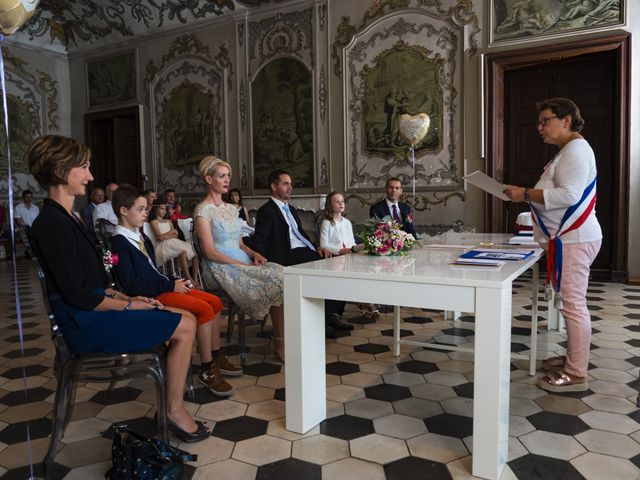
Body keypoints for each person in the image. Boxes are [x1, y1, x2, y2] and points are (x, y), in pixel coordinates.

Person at [27, 135, 208, 443]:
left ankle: (169, 408)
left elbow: (91, 284)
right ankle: (173, 412)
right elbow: (79, 295)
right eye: (83, 168)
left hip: (90, 312)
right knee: (186, 326)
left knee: (180, 315)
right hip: (82, 324)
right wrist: (129, 306)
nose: (90, 176)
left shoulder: (67, 218)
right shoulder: (52, 223)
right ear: (60, 170)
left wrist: (126, 297)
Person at [503, 97, 602, 393]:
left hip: (574, 238)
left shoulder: (575, 150)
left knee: (573, 306)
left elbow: (568, 196)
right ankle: (573, 359)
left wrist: (524, 194)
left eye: (545, 120)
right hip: (569, 239)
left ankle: (576, 373)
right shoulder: (569, 151)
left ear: (567, 120)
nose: (539, 127)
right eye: (539, 122)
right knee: (571, 304)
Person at [109, 185, 239, 397]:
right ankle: (206, 370)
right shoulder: (119, 243)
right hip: (152, 296)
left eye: (145, 209)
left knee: (215, 302)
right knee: (204, 309)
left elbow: (153, 272)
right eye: (141, 209)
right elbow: (133, 285)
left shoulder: (138, 236)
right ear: (123, 211)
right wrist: (170, 286)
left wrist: (175, 280)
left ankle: (215, 355)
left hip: (161, 287)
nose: (145, 213)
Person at [193, 156, 286, 362]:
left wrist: (255, 254)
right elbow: (209, 252)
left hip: (241, 258)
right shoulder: (202, 211)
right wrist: (241, 265)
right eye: (221, 176)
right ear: (208, 179)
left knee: (282, 274)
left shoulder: (230, 208)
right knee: (274, 280)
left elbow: (241, 243)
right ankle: (280, 342)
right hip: (218, 266)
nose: (227, 180)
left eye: (228, 176)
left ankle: (280, 338)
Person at [253, 170, 351, 338]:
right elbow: (260, 238)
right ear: (274, 186)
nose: (290, 187)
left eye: (291, 184)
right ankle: (322, 324)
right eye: (286, 184)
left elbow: (301, 235)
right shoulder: (267, 211)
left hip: (305, 251)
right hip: (288, 255)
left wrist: (317, 247)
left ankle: (331, 316)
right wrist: (258, 257)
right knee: (330, 275)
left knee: (340, 267)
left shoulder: (290, 208)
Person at [320, 191, 380, 321]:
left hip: (349, 254)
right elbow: (324, 245)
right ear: (330, 205)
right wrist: (340, 251)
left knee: (364, 271)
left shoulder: (346, 222)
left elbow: (352, 241)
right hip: (336, 258)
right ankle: (361, 307)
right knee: (346, 277)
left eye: (342, 201)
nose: (341, 204)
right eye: (337, 201)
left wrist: (354, 249)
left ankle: (367, 305)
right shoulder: (327, 223)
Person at [149, 201, 199, 287]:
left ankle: (195, 278)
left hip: (174, 241)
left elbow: (176, 233)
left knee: (195, 255)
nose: (164, 211)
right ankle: (188, 278)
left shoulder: (168, 221)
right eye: (161, 209)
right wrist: (170, 233)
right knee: (182, 252)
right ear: (156, 209)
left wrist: (168, 234)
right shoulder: (154, 222)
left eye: (165, 209)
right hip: (163, 245)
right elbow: (159, 237)